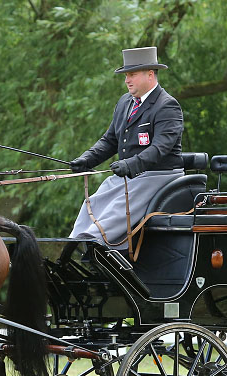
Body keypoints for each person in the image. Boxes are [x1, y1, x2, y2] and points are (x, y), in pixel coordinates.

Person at [68, 47, 184, 249]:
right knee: (96, 199)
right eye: (126, 75)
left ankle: (96, 242)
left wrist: (131, 165)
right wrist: (87, 159)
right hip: (129, 176)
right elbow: (109, 140)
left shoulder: (167, 106)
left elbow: (160, 148)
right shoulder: (124, 102)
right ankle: (75, 243)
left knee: (118, 206)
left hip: (158, 176)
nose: (127, 80)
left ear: (150, 74)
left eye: (132, 74)